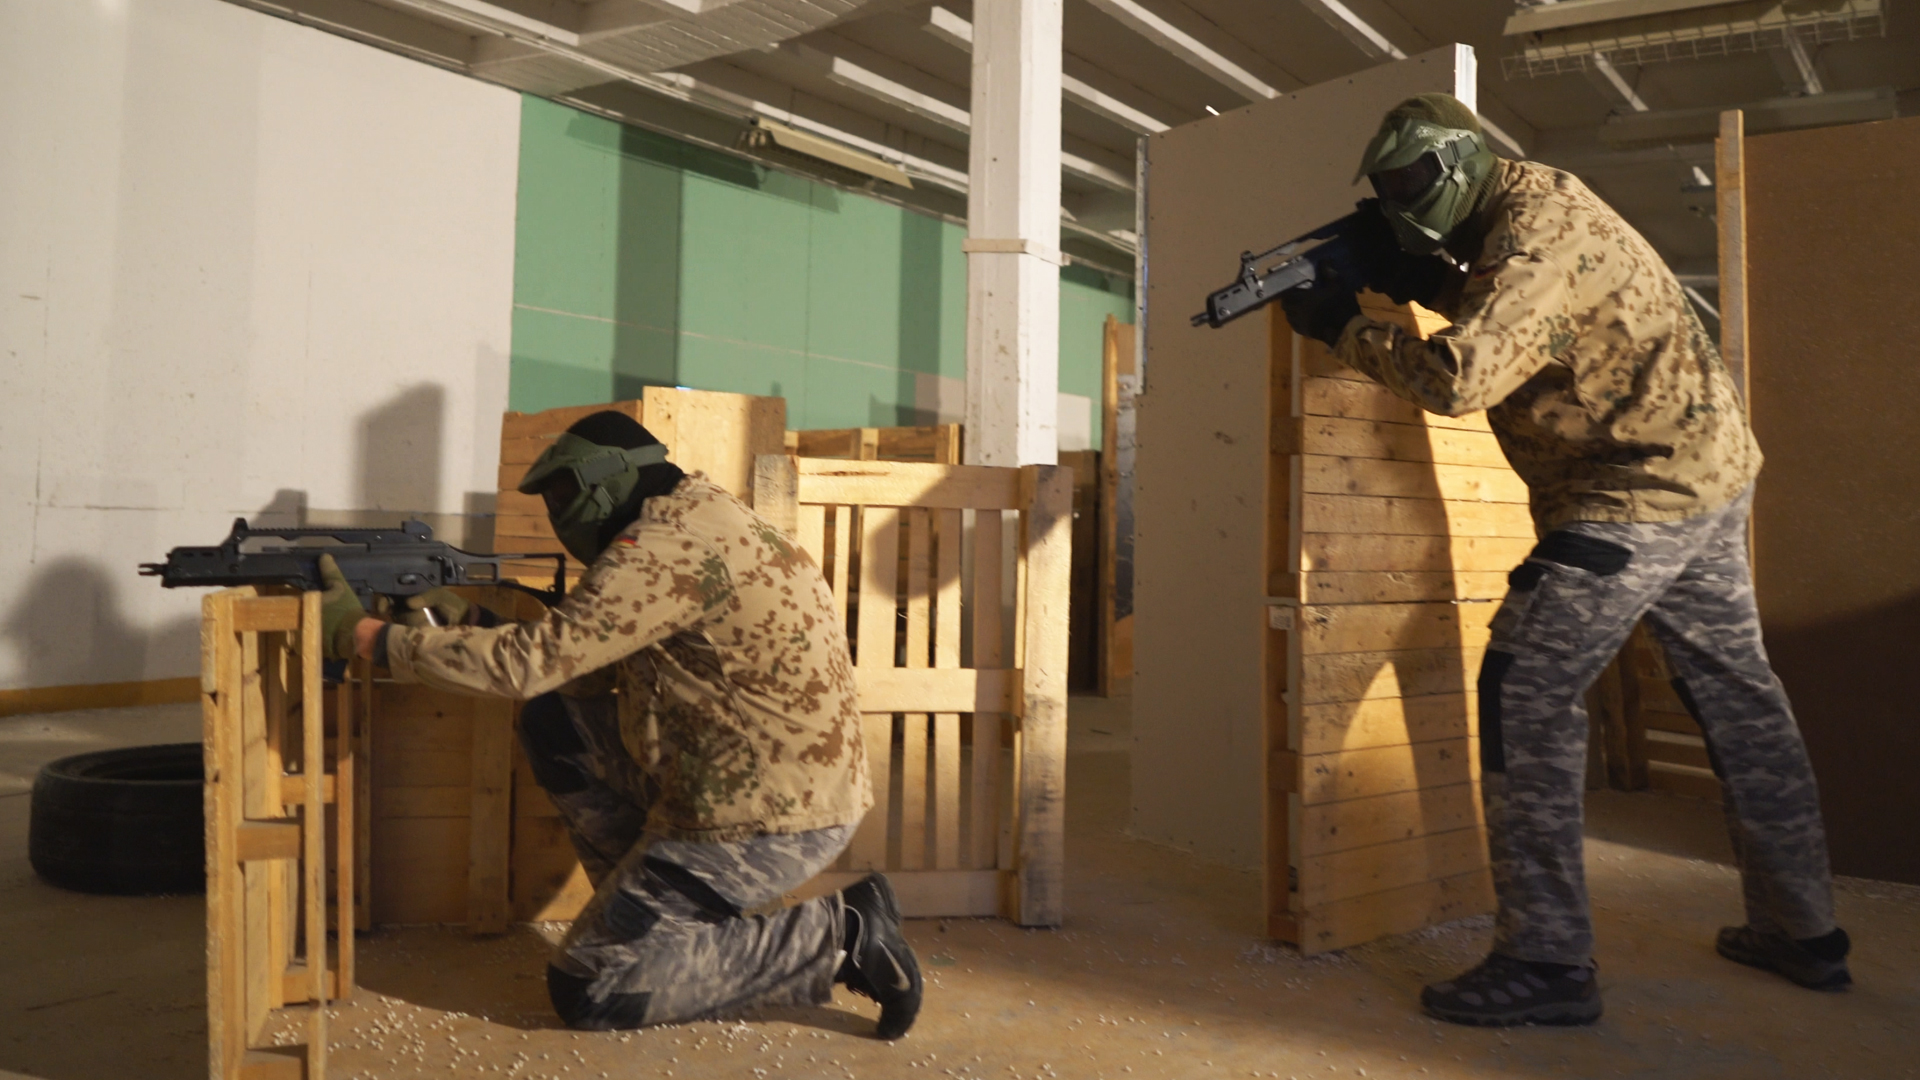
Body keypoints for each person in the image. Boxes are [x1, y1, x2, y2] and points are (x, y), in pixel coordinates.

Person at [1279, 93, 1848, 1027]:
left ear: (1464, 167)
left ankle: (1545, 959)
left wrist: (1346, 324)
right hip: (1705, 471)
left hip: (1637, 494)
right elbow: (1550, 322)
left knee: (1524, 686)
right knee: (1742, 701)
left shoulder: (1538, 236)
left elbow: (1461, 378)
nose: (1402, 203)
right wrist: (1434, 282)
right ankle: (1805, 931)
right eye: (1389, 192)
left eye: (1415, 187)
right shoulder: (1527, 203)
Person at [316, 410, 922, 1038]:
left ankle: (843, 935)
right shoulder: (695, 519)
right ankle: (654, 927)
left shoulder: (670, 544)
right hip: (741, 781)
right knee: (558, 724)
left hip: (767, 815)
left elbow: (531, 664)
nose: (556, 515)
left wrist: (367, 637)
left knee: (588, 988)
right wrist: (472, 620)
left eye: (560, 496)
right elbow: (574, 666)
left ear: (605, 483)